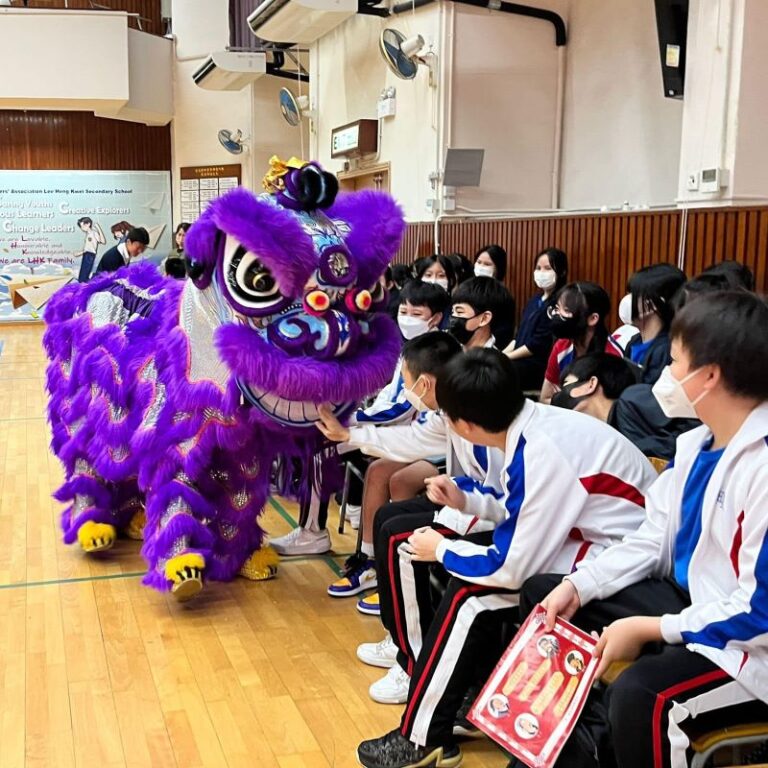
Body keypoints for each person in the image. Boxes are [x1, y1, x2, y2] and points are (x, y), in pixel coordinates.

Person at [356, 349, 656, 768]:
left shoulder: (545, 449)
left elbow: (512, 567)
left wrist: (441, 549)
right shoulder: (531, 426)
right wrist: (463, 498)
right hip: (590, 540)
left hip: (621, 561)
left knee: (472, 598)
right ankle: (451, 702)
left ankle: (423, 736)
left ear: (463, 424)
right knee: (469, 590)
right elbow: (517, 505)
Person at [522, 291, 768, 768]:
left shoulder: (762, 466)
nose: (664, 376)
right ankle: (575, 752)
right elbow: (651, 539)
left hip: (749, 643)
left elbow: (758, 612)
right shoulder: (697, 443)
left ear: (710, 376)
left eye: (675, 362)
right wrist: (580, 584)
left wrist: (653, 628)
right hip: (698, 602)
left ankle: (607, 742)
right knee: (548, 599)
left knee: (645, 699)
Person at [316, 340, 507, 701]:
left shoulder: (480, 417)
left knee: (402, 538)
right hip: (469, 503)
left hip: (491, 516)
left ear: (426, 384)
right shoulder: (448, 412)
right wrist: (348, 435)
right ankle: (400, 636)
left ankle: (414, 661)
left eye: (407, 382)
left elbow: (500, 497)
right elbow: (411, 439)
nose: (405, 389)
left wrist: (460, 503)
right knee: (389, 518)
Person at [271, 283, 451, 558]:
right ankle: (362, 548)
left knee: (324, 447)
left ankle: (316, 531)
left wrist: (351, 420)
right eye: (403, 310)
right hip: (398, 428)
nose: (407, 317)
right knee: (320, 440)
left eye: (416, 312)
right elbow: (391, 400)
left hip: (402, 430)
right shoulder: (411, 350)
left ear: (435, 317)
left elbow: (400, 411)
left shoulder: (436, 358)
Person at [552, 352, 699, 460]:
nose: (561, 395)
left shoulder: (631, 400)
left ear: (591, 384)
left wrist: (629, 451)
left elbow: (694, 430)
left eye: (566, 384)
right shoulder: (604, 438)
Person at [539, 281, 623, 404]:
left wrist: (561, 398)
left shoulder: (612, 356)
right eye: (557, 309)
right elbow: (544, 397)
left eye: (566, 310)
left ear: (593, 319)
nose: (557, 315)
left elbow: (604, 410)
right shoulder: (561, 347)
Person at [504, 247, 568, 391]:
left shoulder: (559, 303)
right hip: (519, 359)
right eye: (538, 268)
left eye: (547, 268)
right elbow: (519, 336)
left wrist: (507, 358)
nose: (541, 273)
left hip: (537, 365)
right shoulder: (534, 300)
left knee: (501, 372)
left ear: (562, 272)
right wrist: (501, 354)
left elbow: (538, 344)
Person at [623, 264, 687, 384]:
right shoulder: (634, 341)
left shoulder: (667, 351)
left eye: (633, 294)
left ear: (653, 304)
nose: (627, 300)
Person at [448, 276, 513, 350]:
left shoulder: (494, 360)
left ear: (484, 318)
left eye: (460, 312)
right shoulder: (449, 352)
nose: (453, 317)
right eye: (453, 312)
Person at [77, 217, 106, 282]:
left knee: (83, 276)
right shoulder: (88, 234)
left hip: (89, 255)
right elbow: (88, 247)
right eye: (81, 226)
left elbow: (103, 241)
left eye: (83, 225)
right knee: (83, 274)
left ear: (88, 224)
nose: (82, 228)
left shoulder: (93, 233)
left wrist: (98, 228)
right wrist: (80, 253)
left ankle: (91, 283)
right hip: (86, 254)